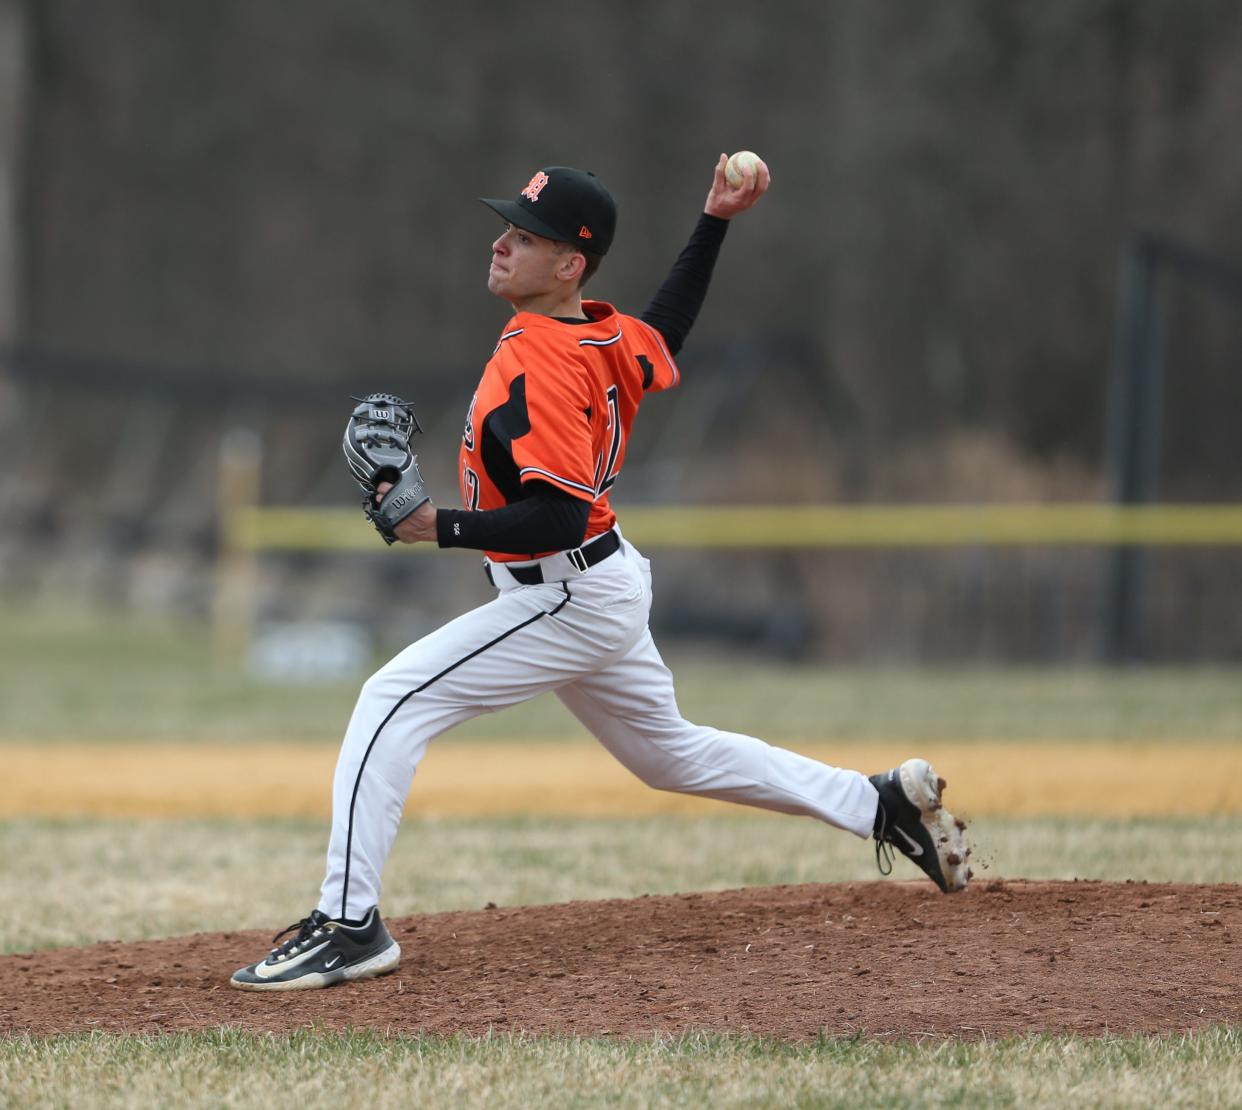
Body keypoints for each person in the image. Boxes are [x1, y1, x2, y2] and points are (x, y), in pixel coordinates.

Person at [230, 156, 969, 992]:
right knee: (672, 758)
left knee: (390, 702)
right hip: (596, 585)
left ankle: (348, 924)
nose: (502, 243)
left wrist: (432, 525)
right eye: (507, 227)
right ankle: (878, 805)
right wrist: (715, 220)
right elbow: (670, 326)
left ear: (569, 265)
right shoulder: (600, 333)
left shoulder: (544, 358)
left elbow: (557, 516)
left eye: (525, 236)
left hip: (565, 591)